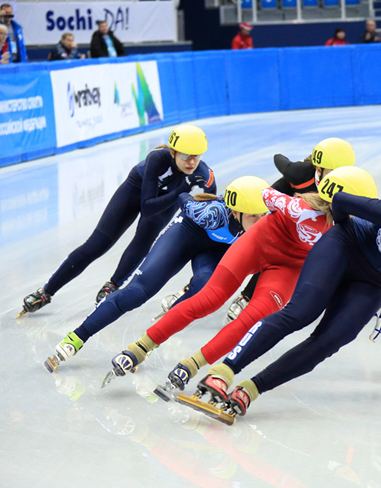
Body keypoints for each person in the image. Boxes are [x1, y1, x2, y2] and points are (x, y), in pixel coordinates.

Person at [194, 173, 381, 420]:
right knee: (300, 313)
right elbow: (341, 201)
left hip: (377, 279)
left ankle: (250, 390)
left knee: (331, 340)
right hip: (345, 246)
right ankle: (222, 372)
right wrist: (341, 230)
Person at [107, 164, 364, 387]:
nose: (364, 212)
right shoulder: (301, 208)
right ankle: (140, 347)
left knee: (253, 317)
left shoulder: (356, 228)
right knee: (210, 298)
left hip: (289, 267)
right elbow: (266, 194)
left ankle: (193, 364)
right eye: (360, 205)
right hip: (260, 241)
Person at [43, 176, 269, 373]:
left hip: (216, 251)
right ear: (235, 212)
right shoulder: (212, 214)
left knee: (201, 292)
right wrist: (195, 196)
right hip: (187, 235)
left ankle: (150, 341)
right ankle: (78, 336)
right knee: (137, 292)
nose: (260, 222)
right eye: (253, 217)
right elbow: (183, 198)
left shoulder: (265, 221)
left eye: (263, 215)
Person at [19, 124, 215, 317]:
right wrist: (182, 190)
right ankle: (46, 291)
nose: (191, 161)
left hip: (165, 201)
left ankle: (113, 285)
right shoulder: (158, 158)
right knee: (97, 244)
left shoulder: (204, 173)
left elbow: (213, 209)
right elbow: (147, 207)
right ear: (172, 152)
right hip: (136, 190)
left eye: (197, 155)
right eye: (185, 155)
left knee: (143, 241)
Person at [160, 138, 355, 324]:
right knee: (242, 247)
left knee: (279, 256)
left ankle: (247, 296)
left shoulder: (346, 183)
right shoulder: (301, 172)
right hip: (276, 204)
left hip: (302, 216)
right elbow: (279, 159)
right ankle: (195, 289)